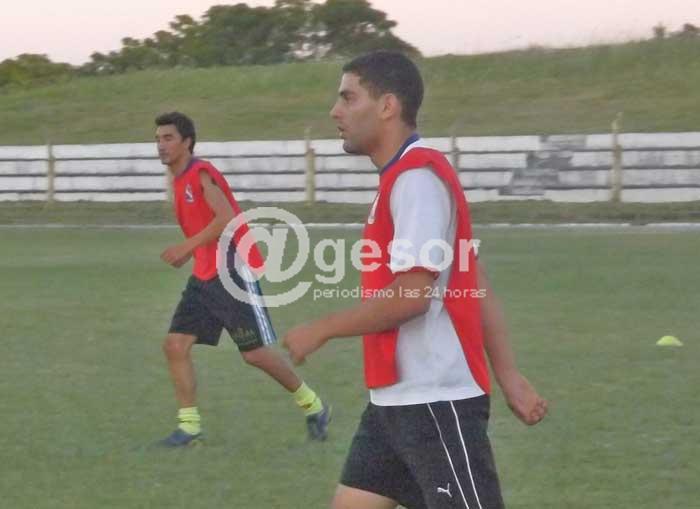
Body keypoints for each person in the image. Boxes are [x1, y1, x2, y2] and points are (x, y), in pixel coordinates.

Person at [282, 52, 548, 508]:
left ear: (387, 106)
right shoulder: (399, 179)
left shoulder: (416, 179)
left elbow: (412, 297)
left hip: (435, 400)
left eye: (348, 97)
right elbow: (473, 278)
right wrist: (508, 375)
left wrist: (323, 328)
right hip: (395, 402)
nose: (335, 111)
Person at [155, 111, 330, 447]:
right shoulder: (178, 181)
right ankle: (189, 428)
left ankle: (314, 406)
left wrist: (186, 247)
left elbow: (226, 217)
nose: (161, 145)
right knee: (175, 345)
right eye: (158, 139)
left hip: (232, 271)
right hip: (205, 274)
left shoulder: (200, 173)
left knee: (254, 353)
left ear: (187, 142)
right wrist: (194, 252)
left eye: (168, 138)